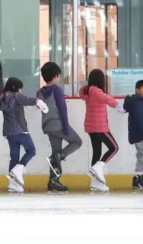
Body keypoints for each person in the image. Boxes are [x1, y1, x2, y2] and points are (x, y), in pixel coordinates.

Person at [0, 77, 47, 194]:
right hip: (20, 130)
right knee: (31, 151)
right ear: (15, 88)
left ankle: (13, 184)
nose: (21, 91)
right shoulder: (16, 96)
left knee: (14, 157)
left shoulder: (1, 97)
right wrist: (39, 102)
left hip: (9, 132)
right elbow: (28, 99)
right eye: (20, 89)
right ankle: (18, 168)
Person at [37, 62, 82, 193]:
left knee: (54, 154)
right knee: (77, 141)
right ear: (56, 76)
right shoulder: (57, 90)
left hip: (48, 126)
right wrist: (66, 127)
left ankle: (53, 181)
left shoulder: (40, 92)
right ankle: (61, 155)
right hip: (58, 124)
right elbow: (62, 109)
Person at [80, 69, 124, 193]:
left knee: (97, 152)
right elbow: (107, 99)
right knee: (114, 147)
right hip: (100, 127)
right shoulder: (96, 91)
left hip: (90, 127)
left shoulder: (88, 91)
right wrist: (117, 106)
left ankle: (96, 183)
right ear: (101, 80)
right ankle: (99, 166)